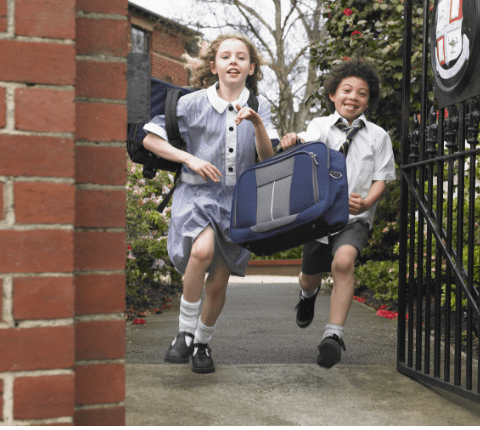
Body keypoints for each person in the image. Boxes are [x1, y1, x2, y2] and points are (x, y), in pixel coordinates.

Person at [142, 34, 277, 373]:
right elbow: (149, 137)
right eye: (225, 56)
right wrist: (189, 158)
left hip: (238, 202)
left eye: (241, 57)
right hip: (197, 195)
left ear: (251, 67)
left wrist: (258, 123)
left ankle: (202, 343)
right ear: (214, 65)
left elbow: (268, 156)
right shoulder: (193, 103)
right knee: (201, 252)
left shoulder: (260, 106)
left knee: (218, 280)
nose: (233, 61)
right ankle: (184, 334)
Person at [280, 57, 397, 368]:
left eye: (361, 93)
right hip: (319, 216)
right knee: (309, 276)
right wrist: (293, 140)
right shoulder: (320, 126)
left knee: (343, 263)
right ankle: (307, 297)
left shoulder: (378, 136)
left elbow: (381, 177)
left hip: (353, 218)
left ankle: (333, 336)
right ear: (333, 94)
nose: (353, 97)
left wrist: (368, 202)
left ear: (368, 100)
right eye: (346, 90)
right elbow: (307, 145)